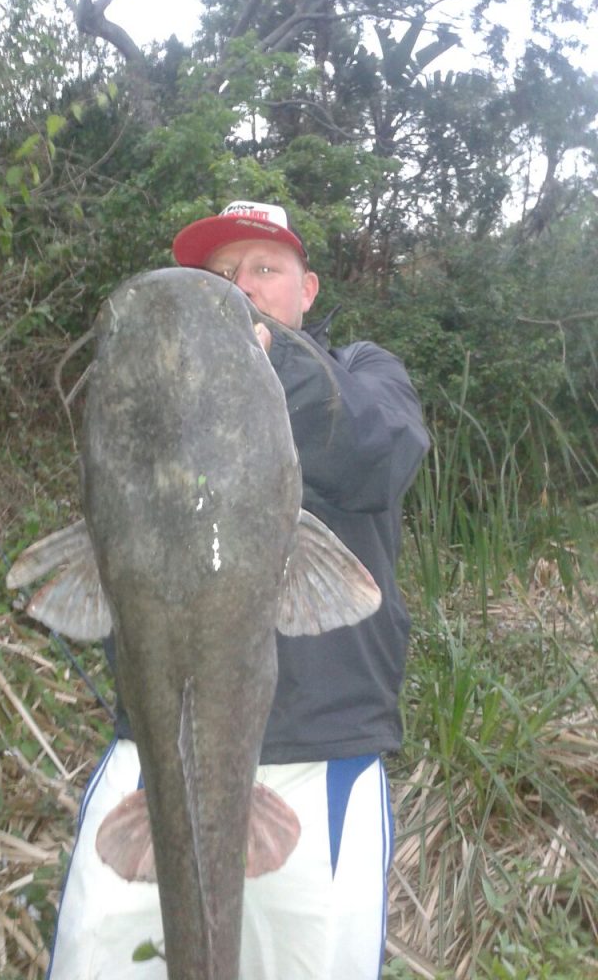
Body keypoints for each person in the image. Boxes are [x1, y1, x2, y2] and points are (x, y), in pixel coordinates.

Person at [45, 200, 430, 980]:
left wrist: (257, 359)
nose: (243, 287)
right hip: (149, 758)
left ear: (308, 288)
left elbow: (381, 451)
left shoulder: (363, 371)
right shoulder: (151, 386)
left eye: (264, 269)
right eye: (220, 276)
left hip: (319, 760)